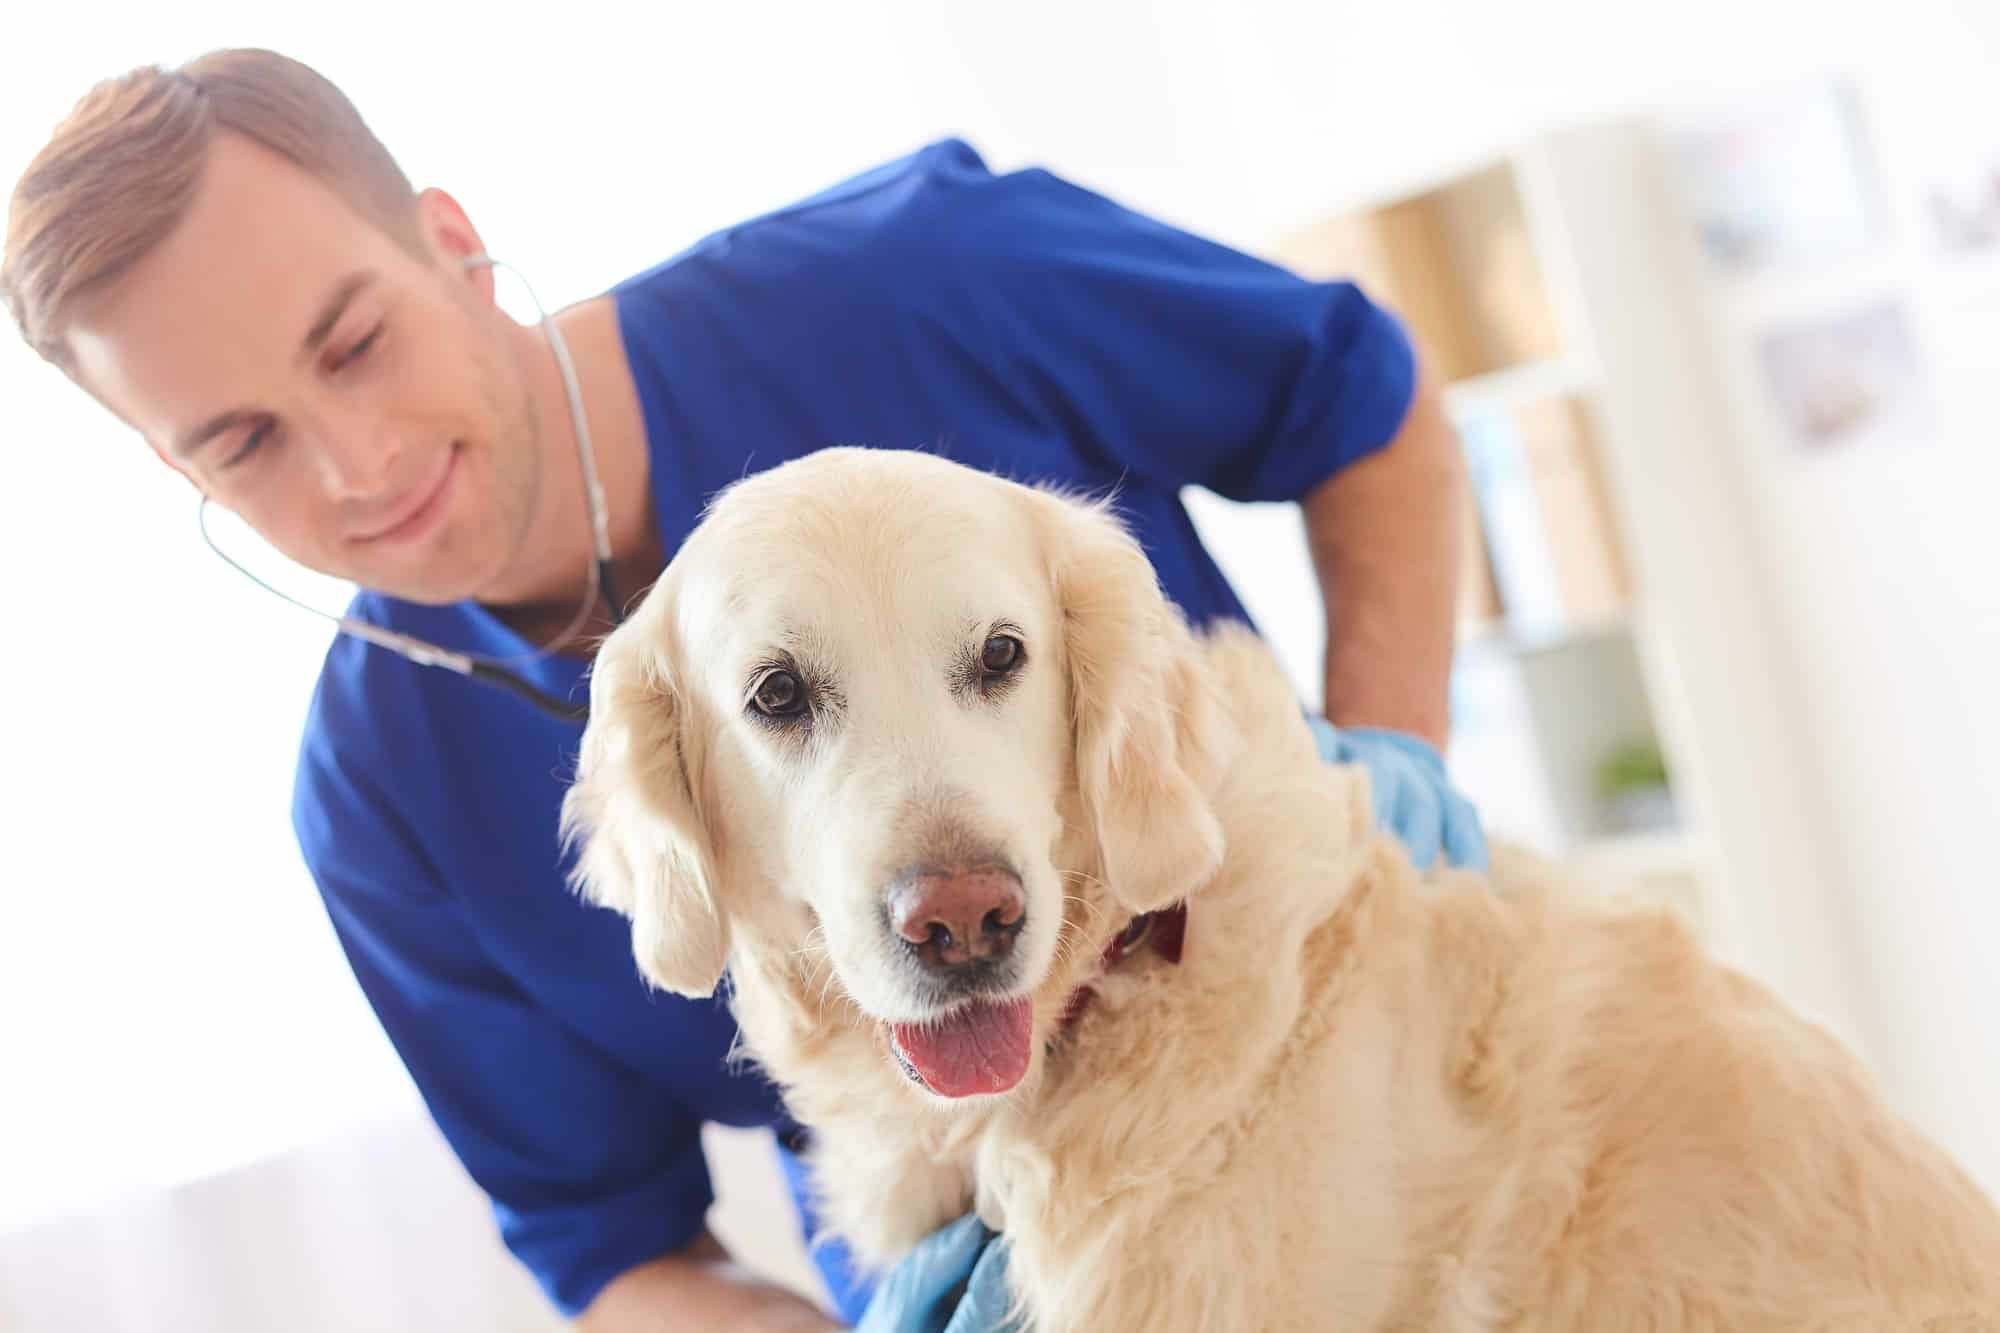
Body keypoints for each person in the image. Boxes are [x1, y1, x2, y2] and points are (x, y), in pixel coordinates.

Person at [2, 47, 1487, 1333]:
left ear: (452, 245)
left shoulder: (919, 280)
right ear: (178, 469)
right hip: (972, 1243)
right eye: (244, 441)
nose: (357, 464)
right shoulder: (381, 795)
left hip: (1366, 1083)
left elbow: (1357, 399)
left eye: (356, 343)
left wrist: (1385, 769)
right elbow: (617, 1250)